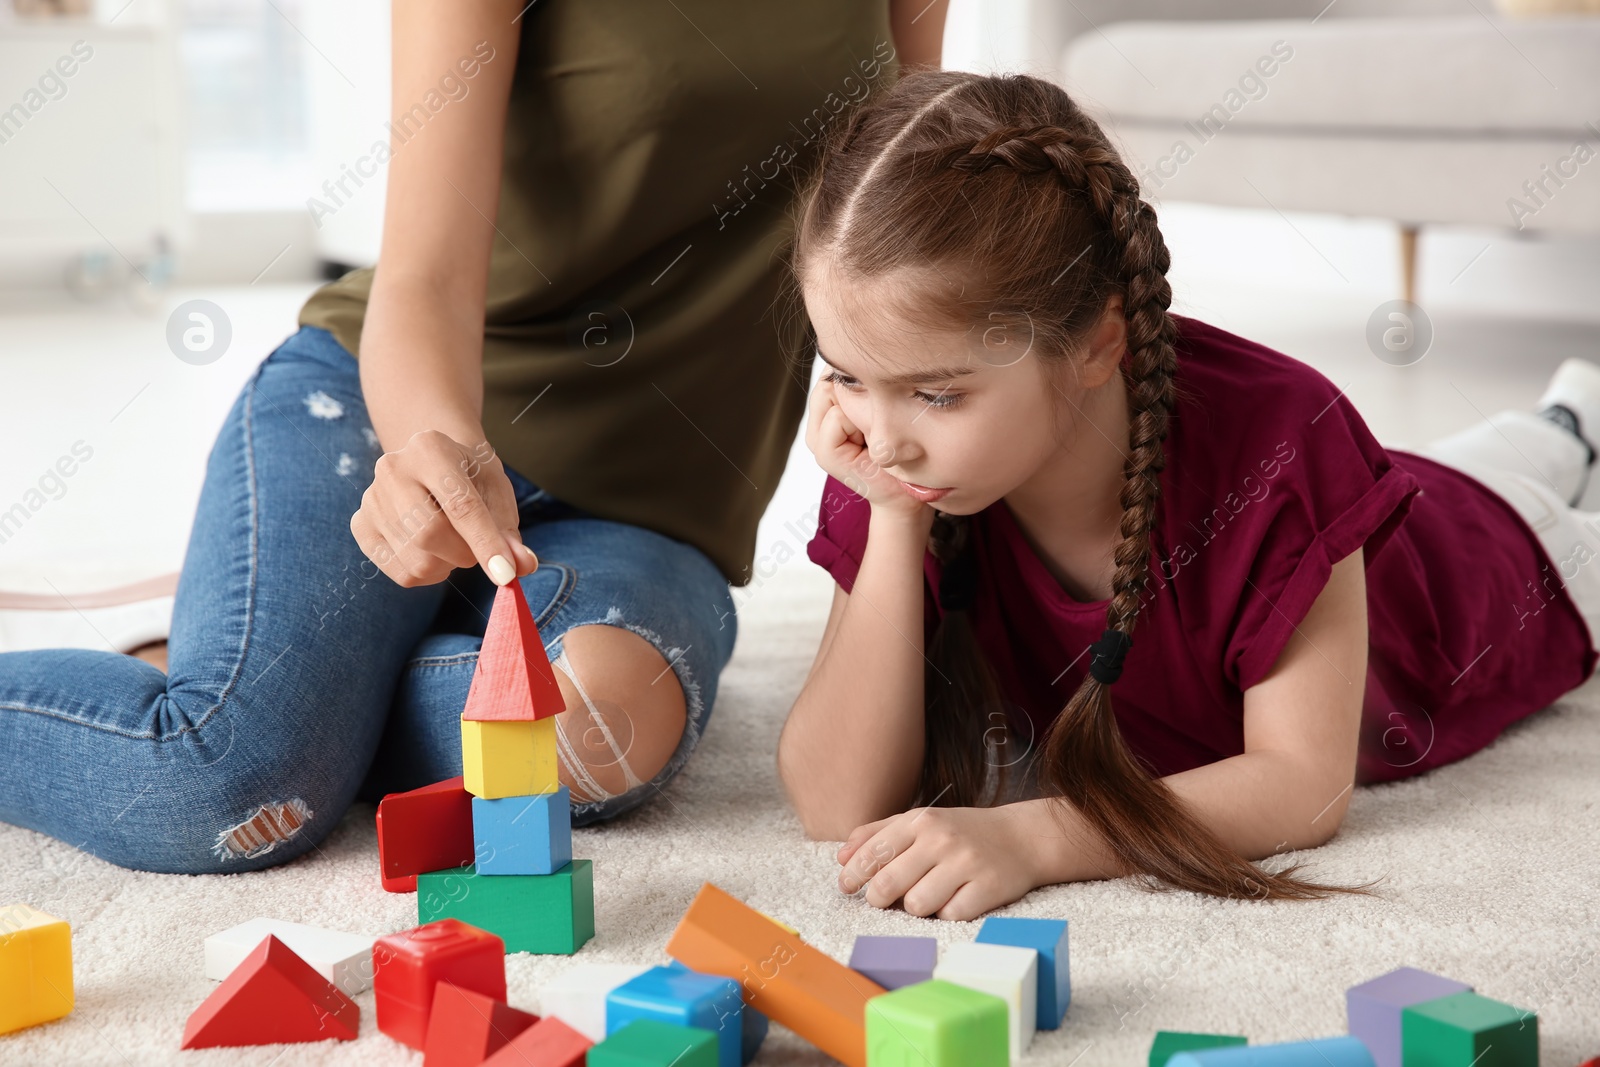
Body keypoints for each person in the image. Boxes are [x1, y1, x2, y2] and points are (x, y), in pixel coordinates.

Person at [0, 0, 946, 873]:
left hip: (647, 505)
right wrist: (438, 453)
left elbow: (895, 235)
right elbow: (424, 281)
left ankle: (306, 685)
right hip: (386, 418)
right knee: (231, 780)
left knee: (595, 731)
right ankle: (279, 697)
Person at [776, 69, 1600, 920]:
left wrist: (1034, 837)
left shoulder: (1286, 440)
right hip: (1416, 476)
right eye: (845, 374)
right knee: (1527, 442)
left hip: (1496, 559)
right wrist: (894, 514)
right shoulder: (900, 456)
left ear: (1098, 344)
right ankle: (1568, 419)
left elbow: (1301, 785)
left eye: (938, 393)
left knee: (1518, 480)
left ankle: (1567, 428)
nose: (882, 435)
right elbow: (837, 803)